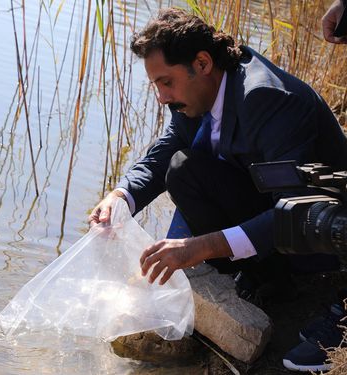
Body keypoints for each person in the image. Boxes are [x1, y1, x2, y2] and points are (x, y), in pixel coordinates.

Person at [88, 8, 347, 372]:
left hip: (320, 235)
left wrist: (200, 247)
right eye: (156, 85)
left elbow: (296, 212)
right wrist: (121, 196)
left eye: (166, 82)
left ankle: (290, 286)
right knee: (182, 168)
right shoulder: (200, 90)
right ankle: (255, 278)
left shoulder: (267, 100)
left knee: (193, 195)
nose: (162, 97)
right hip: (276, 211)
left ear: (203, 63)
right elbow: (166, 152)